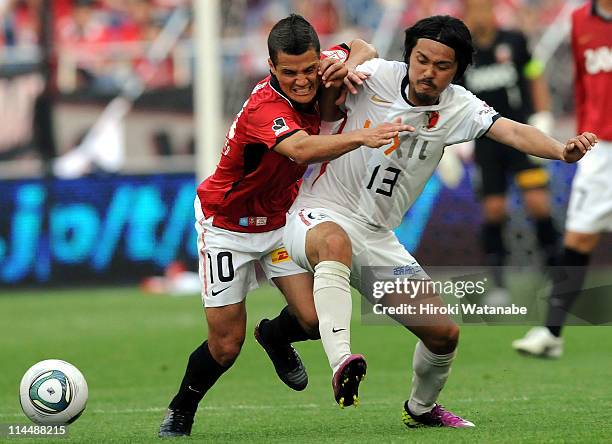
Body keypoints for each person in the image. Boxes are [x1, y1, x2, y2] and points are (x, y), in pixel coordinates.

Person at [282, 15, 597, 428]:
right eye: (421, 59)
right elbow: (346, 54)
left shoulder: (459, 107)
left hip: (377, 236)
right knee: (334, 243)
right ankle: (342, 361)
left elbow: (514, 132)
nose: (428, 72)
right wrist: (354, 55)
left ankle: (422, 409)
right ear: (408, 56)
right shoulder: (374, 76)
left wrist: (561, 150)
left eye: (442, 65)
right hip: (318, 210)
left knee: (443, 334)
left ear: (458, 70)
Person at [158, 14, 412, 437]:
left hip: (279, 221)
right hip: (227, 225)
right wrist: (362, 136)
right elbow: (299, 149)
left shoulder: (319, 64)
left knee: (314, 322)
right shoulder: (264, 108)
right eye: (288, 72)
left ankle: (275, 337)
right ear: (271, 67)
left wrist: (348, 62)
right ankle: (182, 408)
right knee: (225, 346)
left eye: (310, 69)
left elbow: (362, 45)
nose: (302, 81)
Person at [512, 0, 612, 358]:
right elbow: (584, 84)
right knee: (579, 238)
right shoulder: (579, 19)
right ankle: (551, 333)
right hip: (601, 149)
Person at [462, 0, 560, 300]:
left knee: (538, 203)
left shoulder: (514, 41)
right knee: (494, 210)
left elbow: (534, 74)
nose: (478, 16)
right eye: (472, 10)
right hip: (487, 143)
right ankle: (499, 284)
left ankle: (556, 276)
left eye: (482, 9)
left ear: (492, 10)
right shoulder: (463, 53)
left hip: (522, 137)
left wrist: (543, 114)